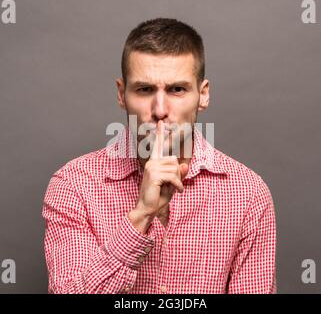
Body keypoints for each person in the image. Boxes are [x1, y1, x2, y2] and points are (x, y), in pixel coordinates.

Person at [42, 18, 276, 294]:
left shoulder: (248, 194)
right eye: (145, 89)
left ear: (203, 95)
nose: (160, 109)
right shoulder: (73, 186)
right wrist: (141, 215)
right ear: (121, 94)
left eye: (177, 89)